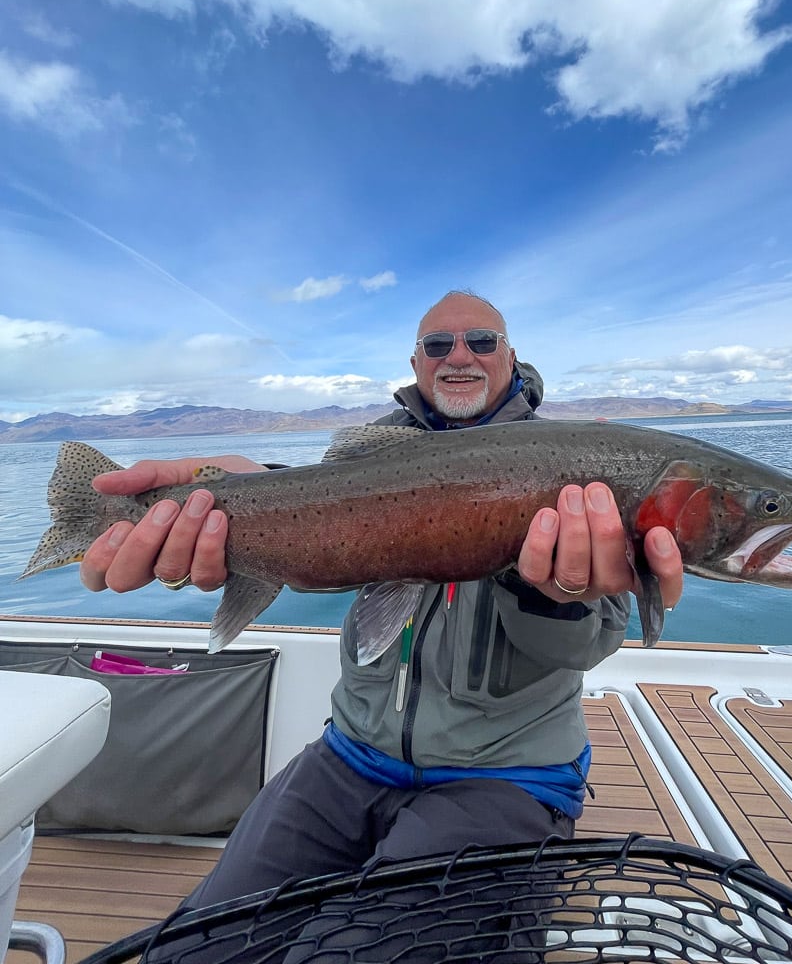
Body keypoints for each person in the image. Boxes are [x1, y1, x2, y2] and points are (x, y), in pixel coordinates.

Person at [80, 291, 683, 914]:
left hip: (505, 778)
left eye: (481, 341)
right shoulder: (377, 451)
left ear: (510, 356)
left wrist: (545, 586)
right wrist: (234, 493)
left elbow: (586, 645)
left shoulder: (581, 470)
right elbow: (310, 498)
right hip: (346, 757)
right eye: (437, 344)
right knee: (199, 940)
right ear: (416, 361)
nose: (459, 356)